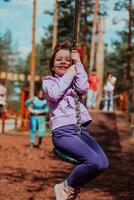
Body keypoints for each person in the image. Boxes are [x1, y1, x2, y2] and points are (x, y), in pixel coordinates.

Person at [42, 42, 109, 200]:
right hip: (63, 133)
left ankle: (72, 187)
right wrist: (70, 74)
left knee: (102, 163)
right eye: (59, 59)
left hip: (80, 131)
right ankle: (66, 186)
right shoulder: (48, 81)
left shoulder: (74, 82)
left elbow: (84, 87)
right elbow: (55, 93)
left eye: (67, 59)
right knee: (92, 161)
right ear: (52, 66)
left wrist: (78, 64)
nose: (64, 62)